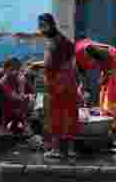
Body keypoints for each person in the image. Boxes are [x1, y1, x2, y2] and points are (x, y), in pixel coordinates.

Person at [30, 13, 80, 159]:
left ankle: (57, 150)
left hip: (58, 83)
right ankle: (70, 149)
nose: (41, 29)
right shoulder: (63, 39)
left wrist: (34, 65)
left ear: (51, 25)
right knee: (69, 114)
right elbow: (70, 56)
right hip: (68, 81)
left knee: (55, 115)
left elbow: (49, 64)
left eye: (43, 26)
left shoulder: (53, 42)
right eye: (40, 26)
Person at [74, 39, 116, 133]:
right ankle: (107, 124)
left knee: (115, 94)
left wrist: (106, 74)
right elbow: (83, 74)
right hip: (108, 64)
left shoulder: (90, 50)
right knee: (104, 92)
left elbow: (106, 58)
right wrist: (83, 87)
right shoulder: (78, 58)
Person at [0, 57, 33, 134]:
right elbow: (13, 97)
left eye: (17, 69)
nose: (15, 72)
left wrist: (30, 97)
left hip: (18, 111)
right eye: (12, 70)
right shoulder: (3, 82)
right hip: (3, 111)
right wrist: (22, 88)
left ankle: (19, 124)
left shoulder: (20, 79)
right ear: (6, 70)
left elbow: (32, 93)